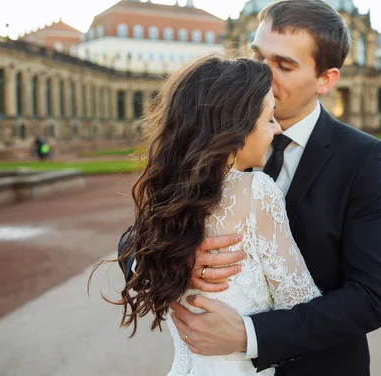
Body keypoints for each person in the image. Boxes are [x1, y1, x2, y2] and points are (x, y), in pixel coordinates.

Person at [119, 0, 381, 376]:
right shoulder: (205, 150)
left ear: (326, 80)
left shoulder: (364, 158)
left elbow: (371, 298)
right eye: (257, 57)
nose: (263, 74)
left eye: (283, 65)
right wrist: (176, 254)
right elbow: (137, 236)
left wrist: (249, 335)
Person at [104, 54, 322, 376]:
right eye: (269, 118)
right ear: (237, 128)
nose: (277, 129)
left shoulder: (168, 193)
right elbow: (305, 308)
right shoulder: (257, 191)